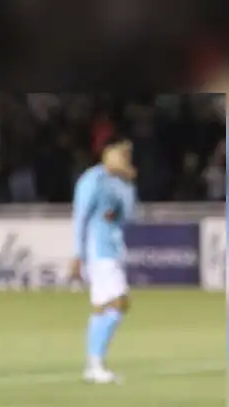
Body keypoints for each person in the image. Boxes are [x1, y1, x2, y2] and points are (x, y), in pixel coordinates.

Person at [69, 135, 138, 384]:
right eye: (121, 153)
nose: (125, 158)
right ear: (107, 153)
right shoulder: (93, 179)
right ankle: (95, 363)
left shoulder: (120, 182)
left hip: (113, 250)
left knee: (104, 307)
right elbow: (81, 216)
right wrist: (77, 254)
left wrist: (128, 185)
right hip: (98, 251)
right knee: (118, 302)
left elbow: (130, 215)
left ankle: (94, 365)